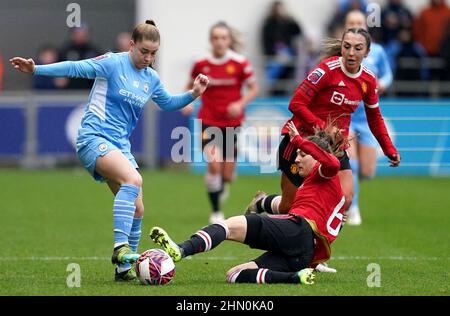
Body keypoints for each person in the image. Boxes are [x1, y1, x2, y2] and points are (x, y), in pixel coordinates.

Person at [10, 20, 209, 281]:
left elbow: (169, 103)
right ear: (131, 45)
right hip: (94, 138)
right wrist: (36, 69)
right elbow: (75, 67)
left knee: (138, 208)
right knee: (134, 179)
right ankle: (120, 249)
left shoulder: (151, 78)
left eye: (153, 53)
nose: (148, 58)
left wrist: (193, 94)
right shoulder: (113, 62)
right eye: (144, 51)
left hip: (119, 147)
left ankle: (125, 270)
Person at [149, 121, 346, 284]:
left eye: (301, 154)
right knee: (234, 275)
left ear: (318, 157)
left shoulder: (325, 172)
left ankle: (182, 250)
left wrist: (298, 141)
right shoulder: (322, 191)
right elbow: (286, 206)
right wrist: (261, 204)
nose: (296, 159)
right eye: (297, 153)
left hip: (297, 230)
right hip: (304, 255)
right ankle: (295, 278)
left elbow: (333, 163)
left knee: (227, 226)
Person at [246, 28, 400, 227]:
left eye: (358, 48)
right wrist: (323, 128)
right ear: (342, 48)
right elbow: (296, 104)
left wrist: (389, 149)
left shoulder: (368, 80)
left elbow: (375, 117)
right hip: (301, 141)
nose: (351, 53)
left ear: (367, 52)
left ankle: (316, 251)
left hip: (334, 147)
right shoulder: (326, 70)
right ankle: (262, 203)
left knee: (345, 199)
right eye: (347, 47)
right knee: (289, 207)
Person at [182, 21, 258, 224]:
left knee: (227, 173)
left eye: (223, 37)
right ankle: (216, 211)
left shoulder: (240, 63)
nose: (219, 41)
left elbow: (253, 88)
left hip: (232, 122)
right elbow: (190, 85)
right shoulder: (201, 64)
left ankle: (223, 184)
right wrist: (187, 100)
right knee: (214, 165)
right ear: (211, 40)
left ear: (229, 40)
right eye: (215, 37)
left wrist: (239, 103)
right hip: (208, 120)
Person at [344, 10, 394, 225]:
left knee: (368, 171)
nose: (356, 24)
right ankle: (352, 208)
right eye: (351, 22)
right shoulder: (342, 51)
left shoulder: (378, 52)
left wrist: (383, 84)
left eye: (359, 22)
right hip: (345, 116)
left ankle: (351, 185)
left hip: (366, 118)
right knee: (351, 164)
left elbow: (389, 73)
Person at [261, 1, 302, 95]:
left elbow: (298, 30)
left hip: (287, 56)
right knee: (274, 79)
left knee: (286, 77)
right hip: (274, 57)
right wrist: (273, 55)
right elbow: (265, 41)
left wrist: (289, 17)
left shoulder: (287, 23)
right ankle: (273, 92)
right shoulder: (268, 24)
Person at [58, 23, 102, 89]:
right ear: (72, 35)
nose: (80, 36)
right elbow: (58, 66)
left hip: (89, 89)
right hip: (68, 90)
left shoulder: (94, 51)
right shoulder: (65, 50)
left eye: (83, 33)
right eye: (78, 33)